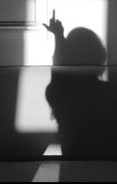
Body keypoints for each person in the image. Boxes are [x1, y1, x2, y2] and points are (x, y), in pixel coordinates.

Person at [43, 11, 108, 159]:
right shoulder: (105, 92)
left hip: (73, 153)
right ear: (98, 54)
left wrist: (59, 37)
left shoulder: (59, 90)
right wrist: (59, 37)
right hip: (98, 155)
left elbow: (59, 68)